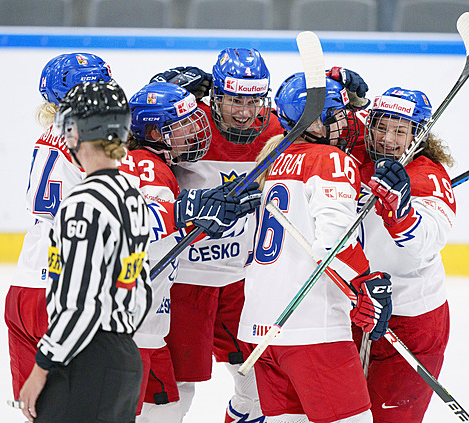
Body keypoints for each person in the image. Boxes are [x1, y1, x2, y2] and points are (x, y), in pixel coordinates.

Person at [237, 72, 393, 423]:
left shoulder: (272, 159)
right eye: (337, 115)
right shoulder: (331, 160)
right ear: (315, 123)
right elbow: (334, 244)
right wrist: (366, 282)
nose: (346, 123)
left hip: (260, 330)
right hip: (311, 329)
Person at [153, 48, 284, 423]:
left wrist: (348, 98)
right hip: (184, 282)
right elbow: (137, 144)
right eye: (234, 101)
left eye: (253, 101)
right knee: (176, 395)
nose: (244, 112)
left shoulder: (277, 130)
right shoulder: (186, 125)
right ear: (216, 96)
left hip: (244, 283)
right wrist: (161, 88)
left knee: (259, 391)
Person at [120, 80, 261, 422]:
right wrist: (190, 210)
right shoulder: (150, 167)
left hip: (146, 309)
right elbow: (144, 225)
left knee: (168, 402)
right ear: (154, 133)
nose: (196, 130)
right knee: (163, 403)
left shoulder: (154, 162)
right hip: (136, 313)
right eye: (183, 125)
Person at [17, 80, 150, 422]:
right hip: (124, 359)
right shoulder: (133, 198)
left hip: (83, 360)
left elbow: (80, 304)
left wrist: (41, 367)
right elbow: (142, 291)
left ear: (73, 134)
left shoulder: (82, 204)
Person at [4, 52, 112, 401]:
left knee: (38, 407)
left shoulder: (50, 135)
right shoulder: (88, 144)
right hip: (64, 293)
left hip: (24, 289)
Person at [352, 87, 457, 423]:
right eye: (381, 127)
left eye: (400, 130)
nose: (388, 139)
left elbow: (428, 237)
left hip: (412, 320)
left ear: (418, 135)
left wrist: (402, 210)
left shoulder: (428, 177)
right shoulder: (357, 157)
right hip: (358, 309)